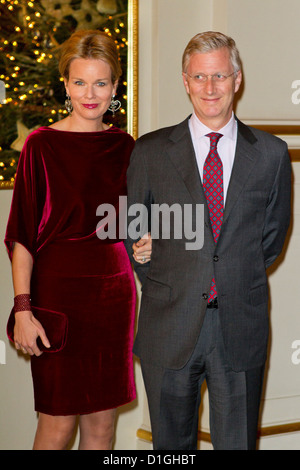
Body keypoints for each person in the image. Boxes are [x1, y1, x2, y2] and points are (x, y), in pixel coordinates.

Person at [126, 31, 291, 450]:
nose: (210, 88)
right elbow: (135, 231)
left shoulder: (271, 154)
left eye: (220, 76)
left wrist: (229, 271)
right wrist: (162, 266)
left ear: (237, 79)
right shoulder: (149, 151)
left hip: (239, 325)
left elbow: (271, 238)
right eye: (199, 77)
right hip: (169, 324)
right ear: (185, 81)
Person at [5, 29, 150, 450]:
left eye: (101, 83)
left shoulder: (126, 147)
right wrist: (22, 310)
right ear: (65, 85)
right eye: (80, 82)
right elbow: (22, 238)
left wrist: (145, 239)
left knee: (102, 429)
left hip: (114, 301)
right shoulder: (41, 145)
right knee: (56, 426)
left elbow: (135, 221)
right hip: (55, 300)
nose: (91, 93)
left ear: (115, 86)